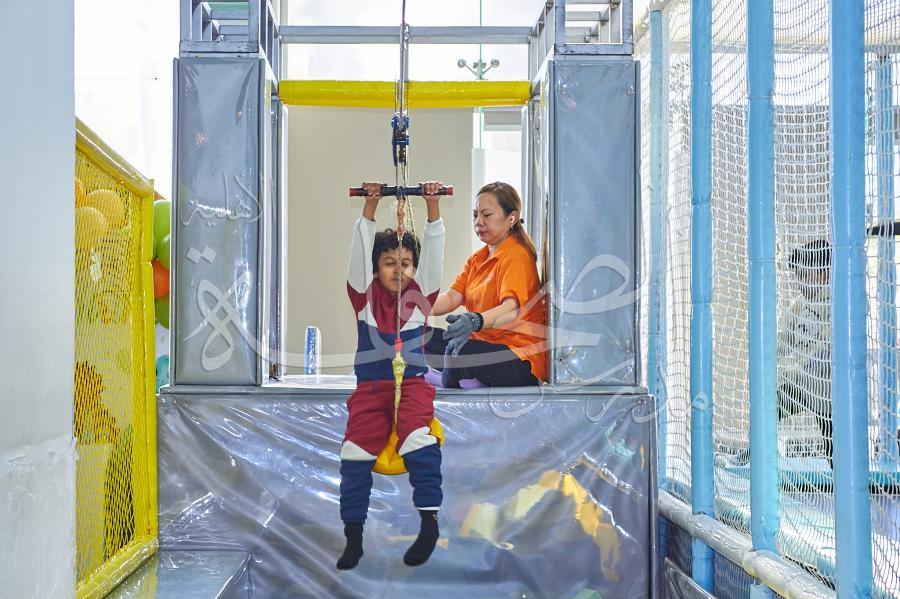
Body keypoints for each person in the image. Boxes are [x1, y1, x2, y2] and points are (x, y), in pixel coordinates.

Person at [337, 181, 445, 570]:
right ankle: (353, 538)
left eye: (406, 263)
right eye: (388, 263)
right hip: (371, 389)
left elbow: (435, 253)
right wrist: (369, 207)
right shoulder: (363, 298)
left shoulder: (422, 296)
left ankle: (429, 524)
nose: (398, 270)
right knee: (354, 451)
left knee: (417, 437)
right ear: (376, 268)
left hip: (412, 385)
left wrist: (433, 207)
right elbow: (358, 253)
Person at [424, 181, 547, 388]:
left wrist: (475, 321)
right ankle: (457, 374)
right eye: (475, 215)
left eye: (487, 215)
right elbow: (452, 298)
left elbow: (511, 310)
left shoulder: (517, 256)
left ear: (512, 218)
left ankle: (449, 378)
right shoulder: (477, 259)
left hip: (518, 359)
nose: (479, 222)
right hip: (482, 348)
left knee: (461, 351)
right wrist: (412, 306)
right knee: (417, 337)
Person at [729, 239, 833, 467]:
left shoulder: (836, 303)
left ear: (824, 275)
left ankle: (844, 479)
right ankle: (750, 455)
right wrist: (766, 360)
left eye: (805, 275)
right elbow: (783, 341)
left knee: (834, 448)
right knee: (768, 409)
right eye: (797, 276)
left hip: (830, 395)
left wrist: (803, 368)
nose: (799, 283)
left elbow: (827, 349)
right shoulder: (799, 306)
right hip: (803, 386)